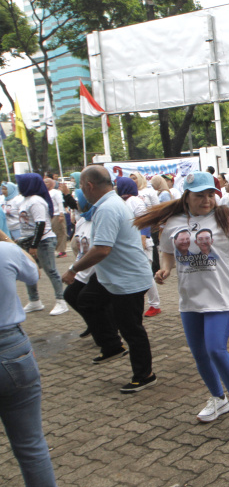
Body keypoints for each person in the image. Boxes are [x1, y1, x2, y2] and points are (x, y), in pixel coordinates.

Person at [135, 171, 229, 439]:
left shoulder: (226, 217)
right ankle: (218, 398)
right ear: (187, 196)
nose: (206, 199)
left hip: (220, 297)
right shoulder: (174, 222)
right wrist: (165, 269)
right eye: (199, 195)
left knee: (215, 349)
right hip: (189, 300)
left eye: (210, 194)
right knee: (200, 354)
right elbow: (167, 252)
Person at [60, 166, 156, 394]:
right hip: (110, 277)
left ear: (89, 186)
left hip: (127, 280)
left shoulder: (107, 209)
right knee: (84, 299)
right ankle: (112, 345)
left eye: (80, 187)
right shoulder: (107, 204)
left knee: (132, 329)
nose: (79, 191)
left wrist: (73, 269)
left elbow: (102, 250)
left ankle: (145, 375)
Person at [0, 231, 70, 487]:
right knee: (31, 446)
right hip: (11, 350)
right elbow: (33, 271)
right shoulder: (6, 252)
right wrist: (6, 239)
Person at [63, 189, 113, 341]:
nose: (76, 203)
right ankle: (95, 324)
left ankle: (107, 333)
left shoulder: (100, 219)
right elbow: (81, 251)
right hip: (84, 269)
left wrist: (77, 269)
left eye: (78, 200)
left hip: (99, 269)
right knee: (70, 295)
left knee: (87, 299)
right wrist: (75, 269)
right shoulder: (82, 221)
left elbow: (100, 251)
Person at [17, 174, 69, 316]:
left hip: (43, 241)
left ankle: (61, 300)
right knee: (29, 271)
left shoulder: (36, 201)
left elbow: (41, 224)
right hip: (29, 240)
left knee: (50, 270)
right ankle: (34, 300)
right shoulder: (25, 200)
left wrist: (34, 244)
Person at [116, 177, 161, 317]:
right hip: (133, 243)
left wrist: (143, 238)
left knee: (146, 274)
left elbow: (145, 220)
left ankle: (155, 305)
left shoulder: (135, 200)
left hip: (142, 243)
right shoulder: (123, 202)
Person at [44, 178, 68, 258]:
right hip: (49, 216)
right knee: (52, 232)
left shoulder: (56, 192)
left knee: (60, 232)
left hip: (57, 214)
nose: (45, 183)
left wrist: (61, 215)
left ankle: (62, 251)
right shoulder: (44, 193)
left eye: (47, 182)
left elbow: (60, 203)